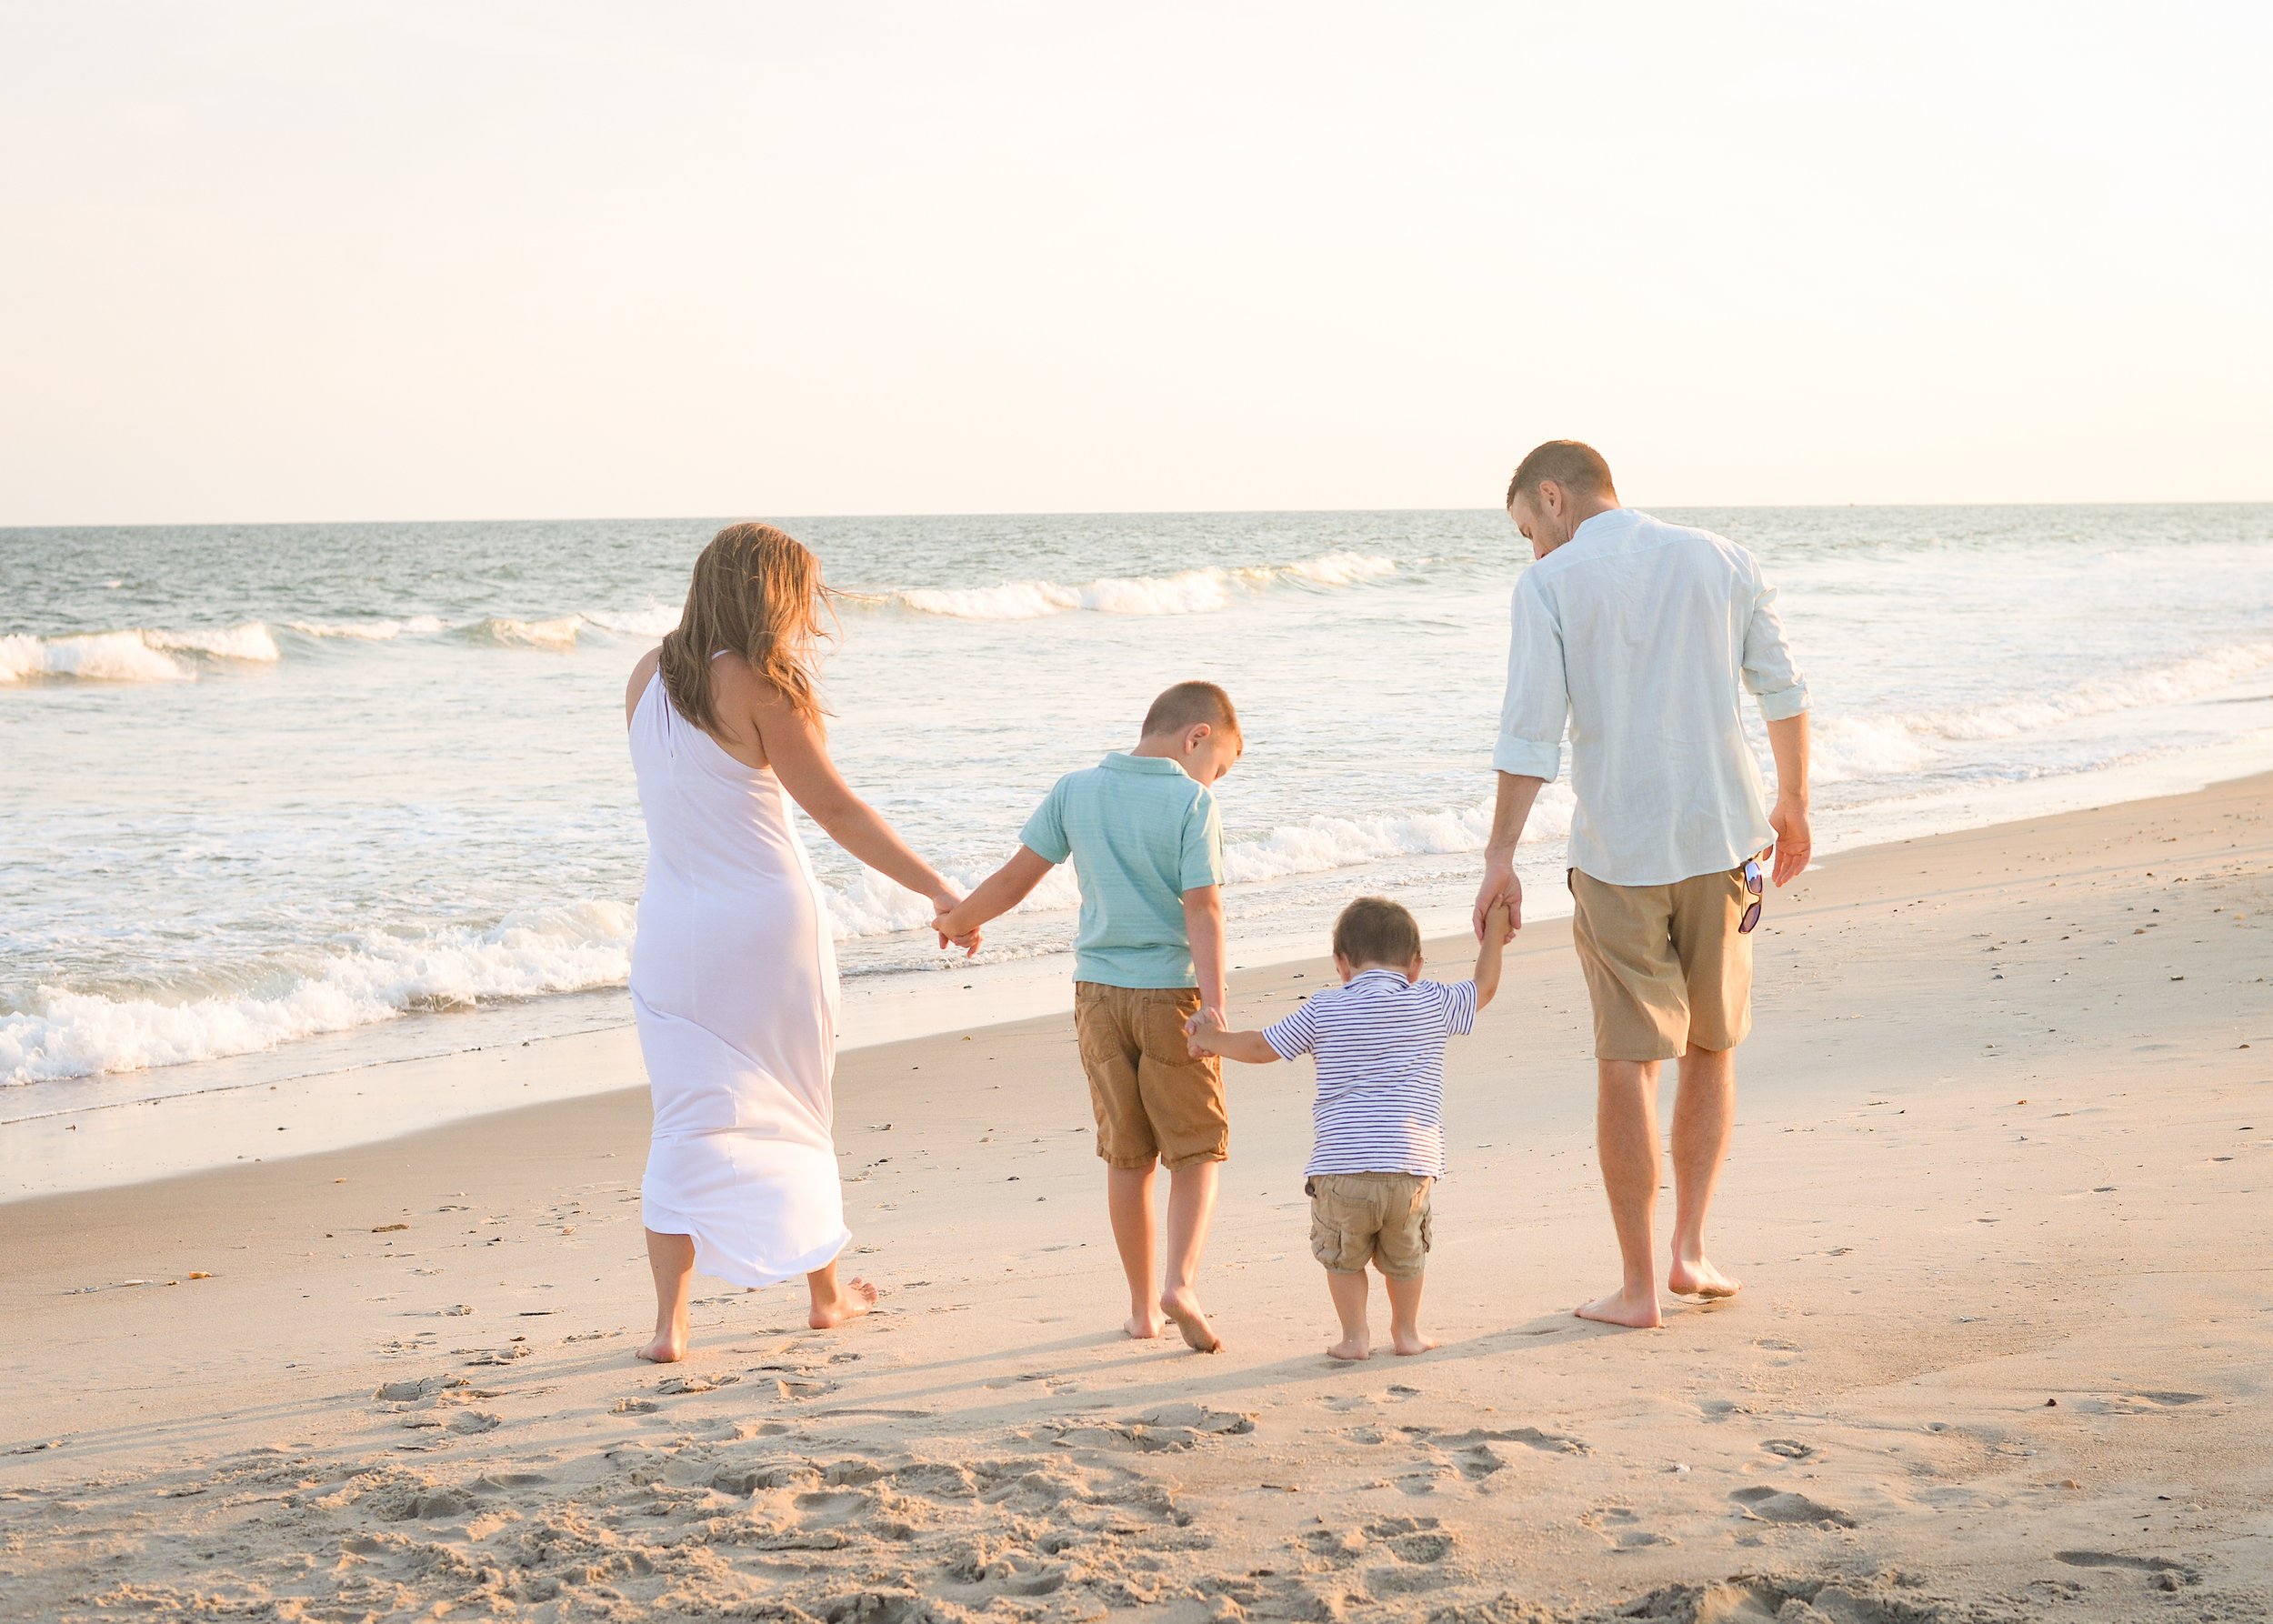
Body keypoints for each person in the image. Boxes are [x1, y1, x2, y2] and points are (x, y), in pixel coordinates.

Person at [1474, 441, 1810, 1330]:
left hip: (1618, 853)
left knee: (1627, 1058)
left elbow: (1527, 736)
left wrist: (1498, 856)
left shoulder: (1547, 586)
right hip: (1726, 840)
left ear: (1553, 497)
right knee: (1711, 1043)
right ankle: (1689, 1252)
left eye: (1526, 529)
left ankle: (1635, 1288)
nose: (1531, 550)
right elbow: (1781, 687)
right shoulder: (1719, 558)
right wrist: (1796, 804)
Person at [623, 522, 974, 1362]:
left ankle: (671, 1327)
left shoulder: (644, 677)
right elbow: (838, 811)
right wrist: (938, 888)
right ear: (769, 596)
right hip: (769, 926)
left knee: (682, 1117)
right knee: (800, 1103)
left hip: (671, 927)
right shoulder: (764, 685)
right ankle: (825, 1296)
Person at [935, 682, 1240, 1353]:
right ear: (1197, 738)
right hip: (1171, 996)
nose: (1213, 782)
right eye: (1219, 767)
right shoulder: (1192, 802)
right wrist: (1214, 1006)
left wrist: (957, 921)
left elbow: (1016, 879)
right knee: (1194, 1149)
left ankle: (1140, 1310)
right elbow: (1203, 909)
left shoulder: (1075, 790)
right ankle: (1180, 1283)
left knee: (1127, 1155)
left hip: (1097, 997)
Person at [1185, 894, 1509, 1360]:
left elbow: (1262, 1048)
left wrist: (1211, 1040)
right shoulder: (1434, 1000)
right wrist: (1495, 931)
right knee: (1405, 1258)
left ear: (1341, 964)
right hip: (1410, 1168)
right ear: (1415, 965)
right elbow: (1485, 985)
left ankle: (1355, 1337)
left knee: (1343, 1256)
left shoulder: (1325, 1008)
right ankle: (1406, 1332)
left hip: (1341, 1169)